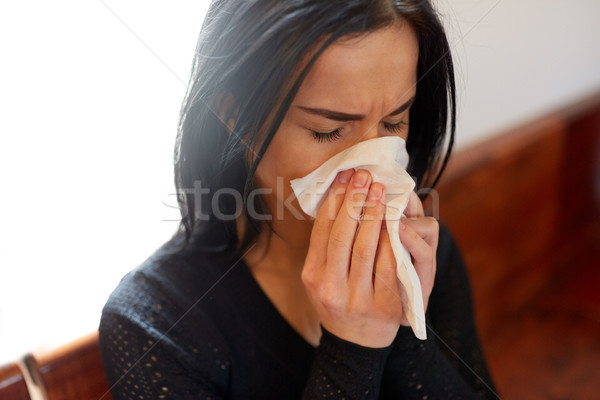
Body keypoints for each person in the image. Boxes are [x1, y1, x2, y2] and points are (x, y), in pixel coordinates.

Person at [99, 0, 498, 398]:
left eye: (394, 121)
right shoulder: (157, 324)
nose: (373, 166)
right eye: (328, 130)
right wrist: (354, 345)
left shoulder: (425, 254)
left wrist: (404, 317)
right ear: (233, 118)